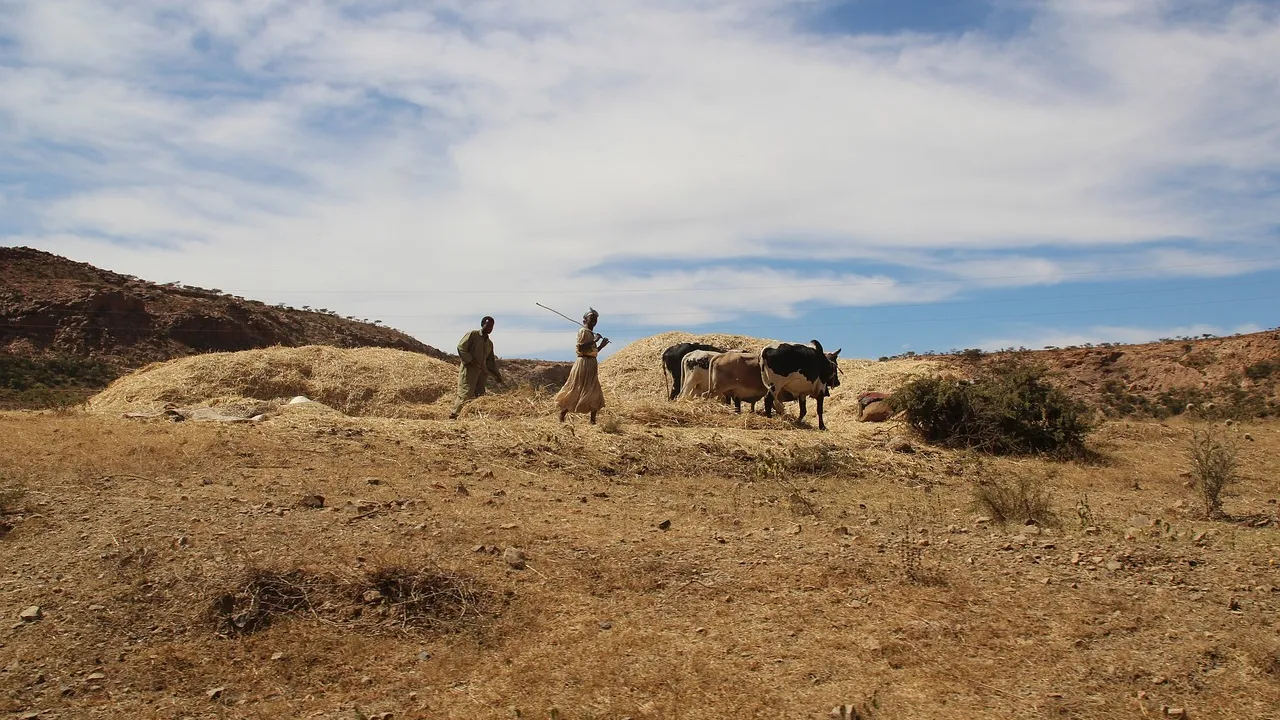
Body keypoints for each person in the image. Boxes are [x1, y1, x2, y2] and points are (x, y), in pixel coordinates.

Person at [555, 307, 608, 424]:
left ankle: (593, 420)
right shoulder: (583, 332)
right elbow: (581, 347)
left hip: (591, 364)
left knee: (594, 389)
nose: (593, 321)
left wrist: (601, 346)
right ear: (585, 320)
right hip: (583, 364)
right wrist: (595, 340)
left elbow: (591, 352)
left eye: (595, 319)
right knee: (576, 388)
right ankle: (562, 415)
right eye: (591, 319)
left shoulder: (589, 333)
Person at [449, 316, 503, 419]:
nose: (490, 328)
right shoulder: (472, 335)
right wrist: (470, 360)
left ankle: (475, 417)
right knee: (465, 393)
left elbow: (490, 362)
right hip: (469, 370)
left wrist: (497, 375)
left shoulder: (489, 344)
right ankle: (454, 415)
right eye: (488, 325)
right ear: (482, 324)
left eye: (492, 327)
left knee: (480, 395)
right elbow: (461, 347)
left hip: (481, 373)